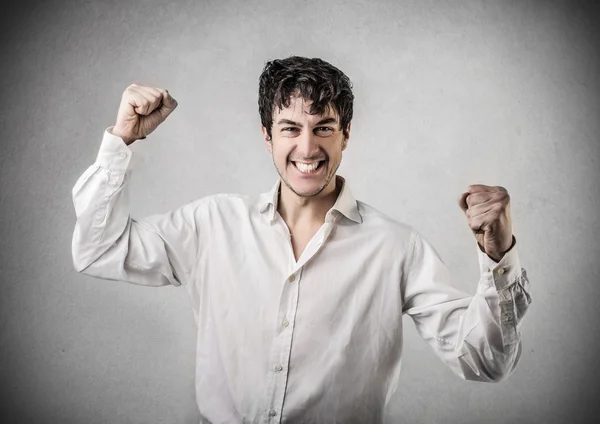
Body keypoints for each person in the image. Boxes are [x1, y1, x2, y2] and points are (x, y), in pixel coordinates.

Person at [72, 56, 531, 424]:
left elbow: (485, 361)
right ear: (266, 136)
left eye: (323, 127)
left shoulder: (397, 248)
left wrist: (498, 255)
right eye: (290, 128)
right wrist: (122, 141)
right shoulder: (211, 224)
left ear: (346, 134)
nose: (307, 148)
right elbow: (99, 249)